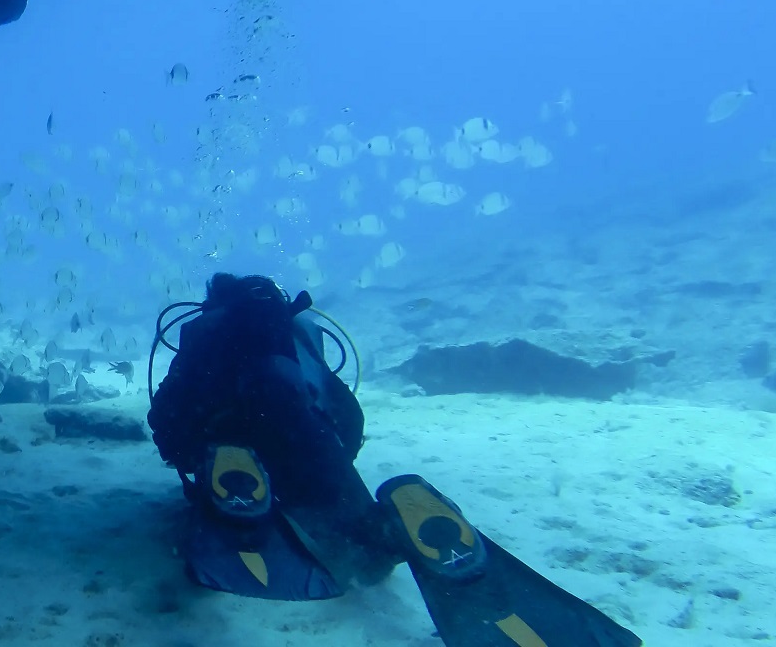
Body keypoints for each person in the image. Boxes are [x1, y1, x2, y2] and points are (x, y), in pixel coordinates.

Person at [147, 272, 641, 646]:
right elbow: (346, 411)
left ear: (214, 302)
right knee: (367, 560)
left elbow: (167, 415)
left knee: (235, 484)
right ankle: (406, 516)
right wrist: (335, 453)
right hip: (317, 438)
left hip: (230, 440)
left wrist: (188, 452)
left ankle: (237, 479)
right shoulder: (298, 334)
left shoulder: (204, 332)